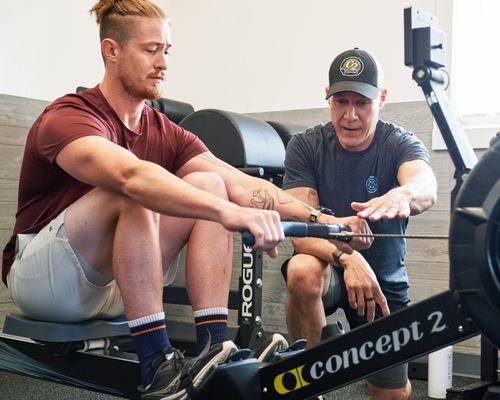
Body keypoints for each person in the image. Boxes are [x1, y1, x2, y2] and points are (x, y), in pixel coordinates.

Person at [1, 2, 370, 399]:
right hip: (45, 284)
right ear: (112, 50)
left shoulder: (162, 129)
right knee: (135, 190)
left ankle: (213, 347)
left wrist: (325, 222)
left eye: (167, 51)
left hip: (114, 286)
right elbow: (129, 176)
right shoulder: (70, 115)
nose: (163, 63)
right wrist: (233, 214)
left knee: (210, 182)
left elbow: (238, 182)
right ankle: (155, 362)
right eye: (151, 49)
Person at [282, 48, 437, 400]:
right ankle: (311, 383)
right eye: (341, 102)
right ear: (328, 98)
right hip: (333, 272)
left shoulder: (398, 142)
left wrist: (404, 194)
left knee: (389, 395)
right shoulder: (306, 146)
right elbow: (300, 232)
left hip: (382, 287)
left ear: (381, 99)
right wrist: (349, 258)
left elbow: (427, 186)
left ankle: (383, 371)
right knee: (302, 269)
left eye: (362, 103)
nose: (350, 115)